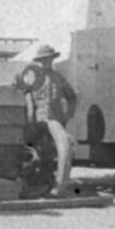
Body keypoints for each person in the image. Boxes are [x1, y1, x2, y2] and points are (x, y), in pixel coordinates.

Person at [18, 44, 78, 197]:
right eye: (43, 60)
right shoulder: (32, 77)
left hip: (54, 121)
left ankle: (56, 186)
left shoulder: (59, 78)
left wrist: (68, 115)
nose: (46, 62)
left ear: (52, 59)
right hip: (35, 121)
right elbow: (21, 92)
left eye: (48, 59)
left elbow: (71, 97)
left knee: (60, 149)